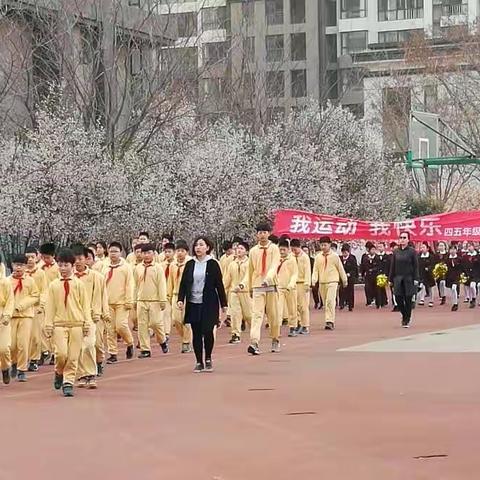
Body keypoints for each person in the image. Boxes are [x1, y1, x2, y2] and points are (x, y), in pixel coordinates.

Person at [44, 249, 92, 397]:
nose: (63, 268)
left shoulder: (79, 284)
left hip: (76, 323)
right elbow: (50, 306)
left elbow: (85, 305)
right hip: (59, 324)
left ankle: (68, 382)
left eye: (66, 265)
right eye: (61, 265)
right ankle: (59, 372)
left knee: (73, 356)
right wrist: (48, 325)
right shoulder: (53, 285)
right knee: (61, 354)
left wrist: (87, 323)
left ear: (72, 266)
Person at [177, 236, 227, 373]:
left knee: (208, 331)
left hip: (209, 303)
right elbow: (183, 284)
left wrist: (224, 304)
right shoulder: (190, 264)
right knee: (196, 332)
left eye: (201, 245)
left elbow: (219, 285)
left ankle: (208, 357)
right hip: (193, 303)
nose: (198, 248)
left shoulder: (213, 264)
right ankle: (199, 361)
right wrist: (181, 299)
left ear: (208, 248)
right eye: (196, 245)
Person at [246, 223, 281, 355]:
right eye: (259, 232)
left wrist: (268, 279)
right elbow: (250, 270)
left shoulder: (274, 249)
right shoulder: (254, 251)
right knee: (256, 315)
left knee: (273, 316)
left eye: (264, 232)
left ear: (269, 233)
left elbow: (274, 265)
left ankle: (275, 338)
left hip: (271, 286)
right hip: (257, 286)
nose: (262, 235)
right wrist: (248, 285)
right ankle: (254, 342)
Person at [73, 247, 104, 388]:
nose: (78, 262)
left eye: (80, 259)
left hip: (90, 316)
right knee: (78, 346)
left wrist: (97, 312)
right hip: (73, 316)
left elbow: (98, 295)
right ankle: (81, 374)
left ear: (86, 259)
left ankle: (91, 373)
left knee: (90, 344)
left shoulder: (95, 276)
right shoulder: (69, 277)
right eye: (75, 259)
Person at [134, 243, 169, 358]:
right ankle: (145, 349)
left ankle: (162, 340)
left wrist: (162, 300)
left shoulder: (158, 268)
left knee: (155, 323)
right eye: (144, 253)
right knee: (142, 325)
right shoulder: (138, 268)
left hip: (155, 300)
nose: (146, 255)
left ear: (153, 254)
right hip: (141, 300)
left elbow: (161, 285)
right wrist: (134, 299)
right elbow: (135, 285)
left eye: (149, 253)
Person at [9, 254, 40, 382]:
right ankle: (13, 363)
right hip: (10, 317)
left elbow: (35, 296)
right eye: (16, 265)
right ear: (12, 266)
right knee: (11, 345)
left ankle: (22, 369)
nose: (18, 268)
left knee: (23, 343)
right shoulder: (7, 281)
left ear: (25, 266)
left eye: (21, 265)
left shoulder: (30, 281)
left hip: (26, 316)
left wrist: (22, 305)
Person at [105, 242, 135, 363]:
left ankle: (130, 343)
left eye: (116, 251)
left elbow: (130, 285)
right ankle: (113, 353)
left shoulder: (126, 267)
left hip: (122, 302)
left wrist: (129, 300)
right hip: (108, 302)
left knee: (121, 325)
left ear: (121, 253)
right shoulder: (105, 267)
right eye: (111, 251)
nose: (113, 254)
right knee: (110, 329)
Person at [312, 236, 347, 331]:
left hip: (333, 281)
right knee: (325, 302)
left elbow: (340, 268)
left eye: (325, 245)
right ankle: (328, 319)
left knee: (330, 301)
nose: (323, 247)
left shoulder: (335, 256)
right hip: (322, 282)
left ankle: (329, 321)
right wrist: (314, 280)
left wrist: (344, 280)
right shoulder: (318, 257)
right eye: (321, 245)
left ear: (329, 245)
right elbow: (315, 270)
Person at [223, 241, 251, 344]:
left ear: (247, 252)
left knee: (249, 315)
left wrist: (242, 285)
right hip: (234, 292)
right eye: (238, 248)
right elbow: (227, 278)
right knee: (235, 313)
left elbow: (248, 276)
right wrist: (221, 289)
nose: (239, 250)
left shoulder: (249, 263)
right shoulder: (232, 264)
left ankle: (254, 331)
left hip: (246, 292)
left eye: (242, 248)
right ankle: (236, 334)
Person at [167, 240, 192, 353]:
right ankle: (185, 338)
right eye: (178, 251)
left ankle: (187, 342)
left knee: (186, 320)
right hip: (176, 295)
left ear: (186, 252)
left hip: (188, 295)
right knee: (176, 320)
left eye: (182, 251)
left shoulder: (191, 263)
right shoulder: (173, 265)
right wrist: (168, 295)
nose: (180, 253)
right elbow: (170, 281)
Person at [389, 232, 419, 328]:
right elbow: (392, 266)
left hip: (409, 278)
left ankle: (407, 319)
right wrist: (390, 279)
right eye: (401, 237)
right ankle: (404, 314)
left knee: (408, 299)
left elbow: (416, 266)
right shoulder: (396, 252)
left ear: (408, 239)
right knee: (398, 298)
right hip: (398, 278)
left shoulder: (412, 252)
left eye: (404, 237)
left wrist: (416, 278)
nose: (402, 239)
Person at [25, 247, 47, 372]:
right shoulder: (20, 272)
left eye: (32, 257)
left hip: (36, 308)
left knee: (35, 335)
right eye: (27, 257)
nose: (30, 260)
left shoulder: (40, 273)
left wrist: (41, 305)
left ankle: (34, 359)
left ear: (37, 257)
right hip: (22, 309)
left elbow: (44, 290)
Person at [276, 239, 298, 337]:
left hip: (290, 287)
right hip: (279, 287)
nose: (282, 252)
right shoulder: (276, 259)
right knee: (278, 308)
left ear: (288, 249)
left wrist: (291, 284)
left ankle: (293, 326)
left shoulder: (292, 260)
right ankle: (277, 328)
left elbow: (295, 274)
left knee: (292, 308)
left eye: (284, 250)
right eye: (280, 249)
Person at [291, 239, 311, 334]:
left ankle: (305, 325)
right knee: (294, 306)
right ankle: (298, 323)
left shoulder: (305, 257)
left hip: (302, 283)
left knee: (303, 306)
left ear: (299, 247)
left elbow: (307, 271)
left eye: (295, 249)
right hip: (293, 284)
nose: (294, 251)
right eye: (292, 249)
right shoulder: (291, 256)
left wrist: (307, 284)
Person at [0, 273, 14, 384]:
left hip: (2, 320)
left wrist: (7, 315)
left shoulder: (5, 282)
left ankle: (5, 368)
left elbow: (10, 301)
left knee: (4, 349)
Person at [161, 242, 176, 340]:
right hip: (165, 292)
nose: (167, 254)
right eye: (165, 252)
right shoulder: (161, 265)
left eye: (169, 252)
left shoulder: (177, 265)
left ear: (174, 252)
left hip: (176, 292)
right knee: (165, 313)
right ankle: (166, 333)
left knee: (176, 317)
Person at [339, 243, 358, 311]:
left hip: (350, 278)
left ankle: (350, 305)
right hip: (342, 278)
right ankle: (341, 304)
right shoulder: (339, 259)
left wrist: (349, 274)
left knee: (350, 291)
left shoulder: (352, 258)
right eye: (343, 252)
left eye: (346, 252)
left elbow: (355, 269)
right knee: (341, 291)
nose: (344, 254)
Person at [445, 244, 463, 312]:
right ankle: (454, 301)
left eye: (454, 249)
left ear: (456, 250)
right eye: (451, 249)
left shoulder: (459, 259)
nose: (452, 251)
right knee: (452, 291)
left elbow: (462, 268)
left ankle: (455, 304)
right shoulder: (447, 259)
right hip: (449, 277)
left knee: (454, 288)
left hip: (456, 277)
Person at [417, 242, 436, 308]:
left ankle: (431, 300)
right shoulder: (419, 257)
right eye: (421, 247)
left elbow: (433, 264)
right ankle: (422, 299)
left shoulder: (431, 256)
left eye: (423, 247)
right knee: (422, 286)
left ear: (427, 249)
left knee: (430, 287)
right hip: (422, 274)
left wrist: (429, 268)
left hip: (429, 274)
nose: (422, 249)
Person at [360, 242, 378, 307]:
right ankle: (369, 301)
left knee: (375, 288)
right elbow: (362, 265)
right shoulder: (364, 256)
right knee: (367, 288)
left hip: (375, 275)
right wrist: (362, 274)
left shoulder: (376, 257)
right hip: (367, 275)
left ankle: (375, 300)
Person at [462, 243, 478, 308]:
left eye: (470, 246)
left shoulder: (477, 255)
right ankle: (471, 300)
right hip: (468, 274)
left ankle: (474, 299)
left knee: (472, 286)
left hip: (476, 275)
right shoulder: (465, 256)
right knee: (469, 287)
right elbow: (463, 265)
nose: (469, 248)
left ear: (473, 247)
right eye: (468, 246)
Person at [375, 242, 390, 308]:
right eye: (379, 247)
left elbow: (388, 266)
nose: (380, 248)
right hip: (377, 274)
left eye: (381, 246)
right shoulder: (376, 257)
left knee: (383, 288)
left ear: (384, 247)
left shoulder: (387, 256)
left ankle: (384, 300)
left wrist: (386, 274)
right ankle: (379, 302)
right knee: (378, 288)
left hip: (385, 274)